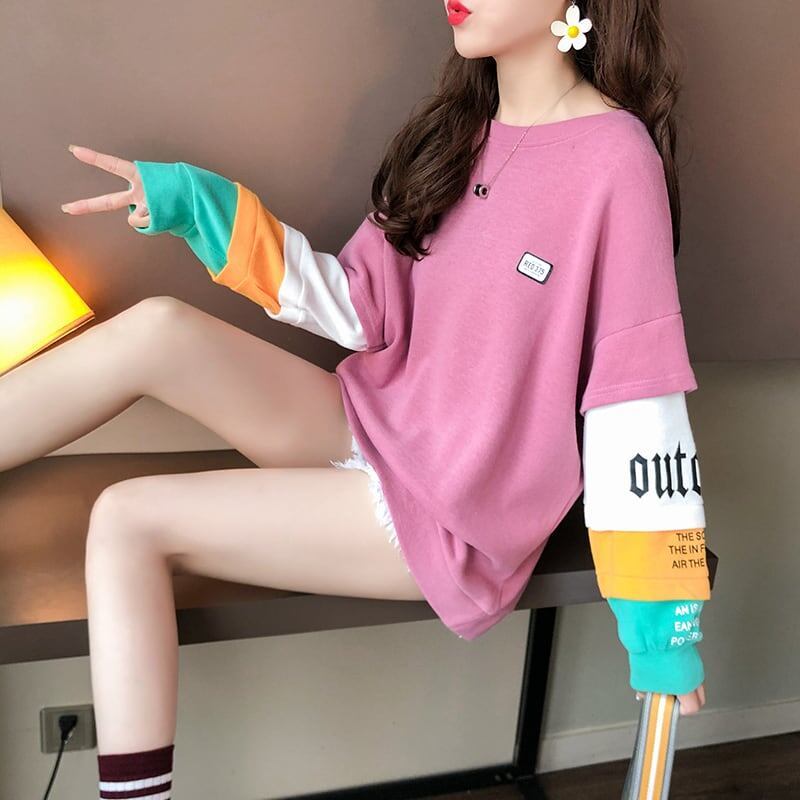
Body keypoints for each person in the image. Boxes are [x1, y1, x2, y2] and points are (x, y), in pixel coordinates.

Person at [0, 1, 711, 796]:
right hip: (375, 422)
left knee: (128, 516)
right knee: (157, 329)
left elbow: (634, 398)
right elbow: (362, 305)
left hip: (453, 508)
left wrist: (662, 631)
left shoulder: (615, 159)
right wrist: (202, 205)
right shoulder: (458, 131)